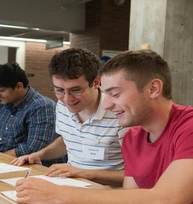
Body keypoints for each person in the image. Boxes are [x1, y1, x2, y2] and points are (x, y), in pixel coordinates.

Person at [14, 50, 193, 204]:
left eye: (115, 94)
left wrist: (56, 194)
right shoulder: (134, 136)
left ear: (154, 88)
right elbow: (130, 199)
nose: (106, 104)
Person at [12, 48, 128, 186]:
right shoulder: (62, 106)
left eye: (76, 90)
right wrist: (39, 155)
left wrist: (82, 173)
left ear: (96, 83)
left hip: (107, 195)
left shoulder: (120, 114)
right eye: (59, 90)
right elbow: (66, 140)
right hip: (72, 186)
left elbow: (137, 176)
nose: (67, 99)